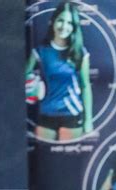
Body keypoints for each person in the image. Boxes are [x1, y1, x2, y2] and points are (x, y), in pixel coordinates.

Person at [26, 2, 93, 141]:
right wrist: (33, 88)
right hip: (46, 113)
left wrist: (88, 120)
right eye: (61, 20)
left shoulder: (80, 52)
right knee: (45, 153)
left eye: (70, 23)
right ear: (53, 21)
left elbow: (85, 86)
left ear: (74, 27)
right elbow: (24, 77)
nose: (64, 26)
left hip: (72, 114)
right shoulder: (40, 51)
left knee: (69, 153)